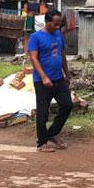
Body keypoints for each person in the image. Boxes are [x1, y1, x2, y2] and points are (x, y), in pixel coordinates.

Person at [27, 10, 73, 152]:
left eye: (59, 24)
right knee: (43, 113)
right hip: (42, 81)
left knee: (67, 105)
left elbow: (62, 54)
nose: (58, 27)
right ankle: (42, 143)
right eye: (55, 24)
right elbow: (34, 58)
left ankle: (51, 134)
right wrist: (44, 77)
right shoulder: (36, 37)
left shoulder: (58, 34)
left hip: (58, 78)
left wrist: (67, 73)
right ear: (47, 22)